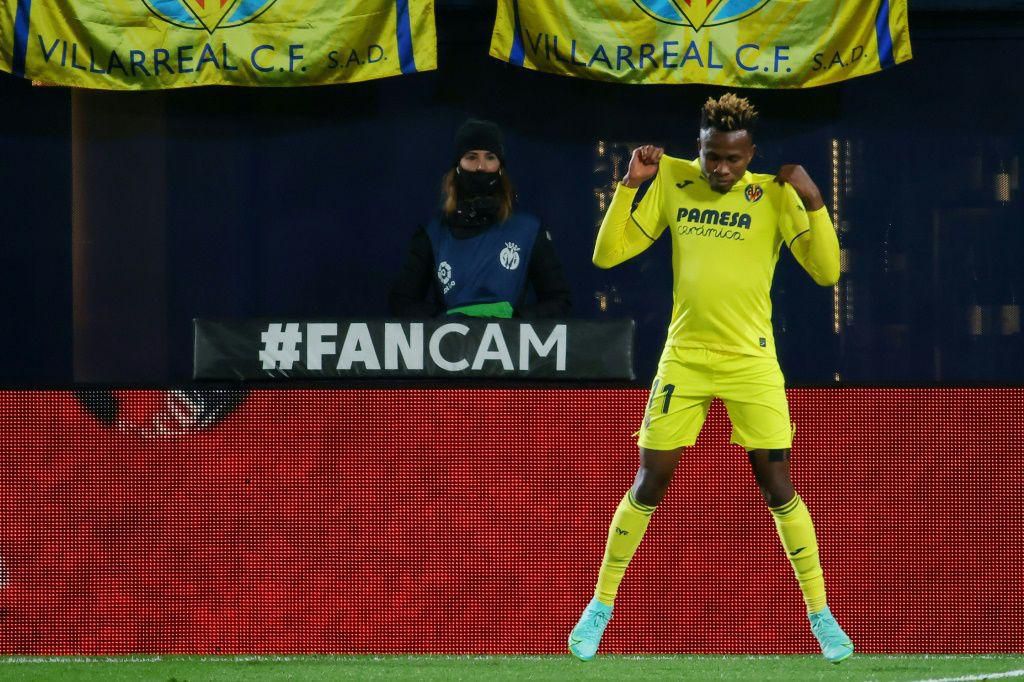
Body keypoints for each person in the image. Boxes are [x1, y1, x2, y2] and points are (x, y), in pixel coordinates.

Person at [568, 94, 853, 664]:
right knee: (650, 480)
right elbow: (607, 255)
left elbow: (826, 272)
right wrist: (631, 184)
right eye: (711, 157)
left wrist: (815, 200)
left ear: (753, 154)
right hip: (685, 357)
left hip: (751, 360)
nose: (721, 169)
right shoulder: (672, 178)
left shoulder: (773, 194)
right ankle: (599, 606)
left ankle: (820, 614)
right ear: (698, 148)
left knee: (778, 485)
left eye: (733, 159)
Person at [388, 119, 570, 319]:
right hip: (451, 347)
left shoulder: (528, 231)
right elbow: (401, 302)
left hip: (510, 347)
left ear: (500, 166)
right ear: (458, 166)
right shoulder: (433, 235)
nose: (481, 167)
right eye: (471, 157)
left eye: (490, 157)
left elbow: (560, 301)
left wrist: (515, 323)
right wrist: (446, 322)